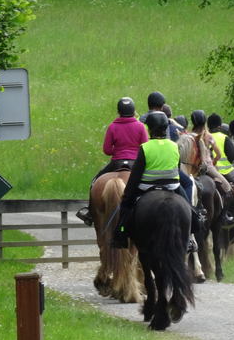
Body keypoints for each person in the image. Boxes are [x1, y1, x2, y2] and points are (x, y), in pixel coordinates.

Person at [110, 112, 204, 251]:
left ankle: (120, 235)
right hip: (172, 185)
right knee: (189, 208)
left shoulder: (145, 147)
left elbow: (136, 174)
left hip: (146, 186)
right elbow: (177, 169)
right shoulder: (173, 146)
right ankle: (191, 233)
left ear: (149, 129)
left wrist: (127, 193)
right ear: (165, 128)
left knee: (125, 207)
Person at [76, 97, 147, 226]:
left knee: (94, 181)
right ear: (134, 111)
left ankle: (90, 213)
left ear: (118, 112)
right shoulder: (140, 126)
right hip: (135, 163)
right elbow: (145, 148)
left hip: (116, 162)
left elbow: (107, 150)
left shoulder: (112, 126)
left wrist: (119, 150)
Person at [137, 92, 194, 201]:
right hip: (167, 169)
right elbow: (167, 141)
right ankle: (192, 210)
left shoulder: (138, 120)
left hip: (144, 162)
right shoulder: (164, 121)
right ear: (162, 106)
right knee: (188, 183)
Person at [189, 110, 234, 224]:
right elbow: (218, 154)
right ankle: (224, 215)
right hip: (208, 167)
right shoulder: (208, 136)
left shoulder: (190, 136)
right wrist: (213, 163)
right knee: (228, 188)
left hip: (193, 168)